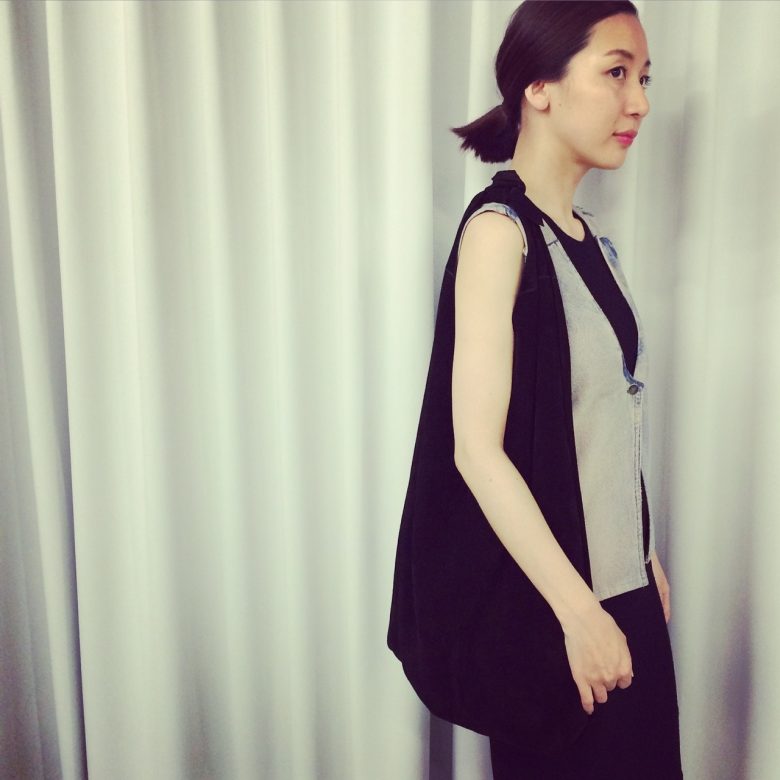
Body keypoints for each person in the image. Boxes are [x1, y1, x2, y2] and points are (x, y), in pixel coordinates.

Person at [386, 1, 683, 778]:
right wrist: (582, 616)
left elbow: (603, 419)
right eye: (616, 73)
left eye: (644, 78)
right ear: (539, 87)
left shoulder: (592, 242)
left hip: (624, 598)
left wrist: (643, 557)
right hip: (559, 615)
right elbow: (477, 451)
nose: (639, 102)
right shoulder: (500, 233)